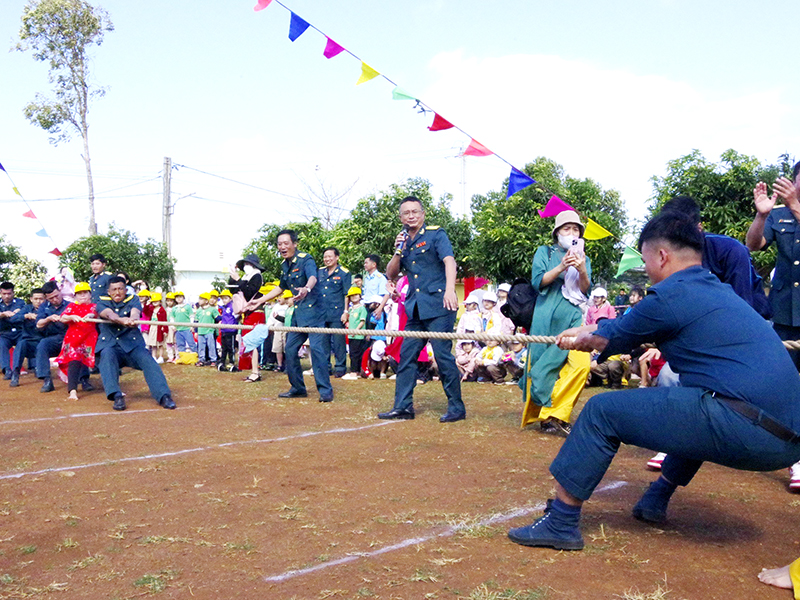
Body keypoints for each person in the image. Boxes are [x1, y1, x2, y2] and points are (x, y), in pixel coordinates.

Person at [507, 211, 800, 551]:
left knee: (602, 410)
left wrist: (580, 337)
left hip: (750, 430)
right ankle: (655, 498)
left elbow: (606, 338)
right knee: (698, 401)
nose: (645, 269)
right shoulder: (712, 289)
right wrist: (587, 330)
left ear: (662, 256)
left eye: (645, 260)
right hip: (789, 439)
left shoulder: (671, 295)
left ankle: (561, 521)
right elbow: (623, 325)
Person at [377, 196, 465, 422]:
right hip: (415, 308)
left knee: (443, 356)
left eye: (415, 212)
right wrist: (398, 250)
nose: (411, 216)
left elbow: (449, 261)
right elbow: (391, 274)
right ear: (401, 217)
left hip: (439, 305)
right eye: (406, 213)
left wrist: (449, 290)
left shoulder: (436, 234)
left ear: (423, 214)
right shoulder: (404, 242)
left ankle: (456, 407)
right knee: (406, 357)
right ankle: (403, 407)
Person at [521, 210, 591, 436]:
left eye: (575, 229)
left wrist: (581, 269)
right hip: (545, 315)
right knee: (543, 367)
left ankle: (556, 413)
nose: (571, 233)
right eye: (566, 229)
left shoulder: (584, 257)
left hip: (572, 317)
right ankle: (550, 418)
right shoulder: (544, 252)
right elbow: (537, 282)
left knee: (581, 364)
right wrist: (561, 267)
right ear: (557, 233)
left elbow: (585, 289)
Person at [245, 230, 334, 401]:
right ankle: (298, 387)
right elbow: (281, 287)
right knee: (290, 349)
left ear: (295, 244)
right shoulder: (285, 265)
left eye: (286, 243)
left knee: (317, 350)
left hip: (315, 312)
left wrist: (306, 289)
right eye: (279, 244)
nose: (282, 247)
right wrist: (259, 301)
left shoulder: (305, 259)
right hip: (299, 315)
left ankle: (325, 391)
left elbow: (313, 278)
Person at [95, 276, 175, 411]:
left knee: (149, 362)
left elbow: (135, 312)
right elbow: (108, 314)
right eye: (114, 290)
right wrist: (121, 320)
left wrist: (132, 319)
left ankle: (164, 396)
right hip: (110, 344)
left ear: (126, 290)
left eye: (120, 289)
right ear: (108, 291)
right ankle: (117, 396)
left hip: (131, 344)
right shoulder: (101, 302)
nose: (117, 292)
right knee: (106, 355)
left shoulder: (133, 299)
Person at [747, 171, 800, 365]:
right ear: (793, 182)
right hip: (783, 312)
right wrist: (761, 216)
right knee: (783, 373)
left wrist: (794, 205)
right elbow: (753, 245)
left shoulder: (792, 207)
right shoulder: (777, 213)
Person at [54, 282, 97, 401]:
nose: (82, 296)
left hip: (89, 339)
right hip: (73, 339)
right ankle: (72, 391)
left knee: (93, 360)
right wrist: (72, 317)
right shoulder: (72, 307)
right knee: (74, 361)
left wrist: (90, 316)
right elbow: (62, 317)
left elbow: (95, 314)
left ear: (90, 294)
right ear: (75, 296)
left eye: (85, 293)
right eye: (79, 294)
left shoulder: (94, 306)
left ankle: (111, 386)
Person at [31, 280, 73, 393]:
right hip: (53, 338)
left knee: (78, 345)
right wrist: (48, 319)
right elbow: (38, 324)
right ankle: (47, 380)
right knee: (43, 345)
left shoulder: (70, 305)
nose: (55, 299)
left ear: (60, 291)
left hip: (69, 337)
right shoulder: (43, 307)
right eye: (51, 298)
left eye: (56, 296)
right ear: (46, 298)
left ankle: (84, 379)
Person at [317, 247, 351, 378]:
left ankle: (340, 367)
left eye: (330, 256)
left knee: (338, 342)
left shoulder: (344, 273)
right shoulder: (320, 272)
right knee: (323, 341)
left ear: (337, 257)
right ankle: (325, 366)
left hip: (337, 312)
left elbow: (346, 294)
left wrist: (345, 311)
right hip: (321, 312)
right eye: (325, 257)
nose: (327, 259)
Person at [229, 254, 265, 374]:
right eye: (244, 265)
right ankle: (248, 368)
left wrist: (239, 280)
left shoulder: (257, 276)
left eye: (248, 264)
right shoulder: (245, 277)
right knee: (246, 340)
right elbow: (233, 289)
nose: (246, 267)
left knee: (252, 341)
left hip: (256, 311)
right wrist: (233, 277)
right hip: (247, 312)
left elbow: (249, 292)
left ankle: (255, 371)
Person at [8, 288, 46, 388]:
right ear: (31, 299)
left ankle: (43, 374)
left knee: (44, 345)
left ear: (45, 299)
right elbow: (12, 319)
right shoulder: (27, 308)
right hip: (29, 340)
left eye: (41, 299)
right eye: (36, 299)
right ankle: (15, 374)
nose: (38, 301)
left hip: (43, 340)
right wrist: (25, 316)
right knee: (21, 345)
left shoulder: (47, 309)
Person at [0, 281, 26, 379]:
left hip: (20, 332)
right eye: (4, 294)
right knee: (1, 345)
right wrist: (3, 314)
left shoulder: (20, 302)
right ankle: (7, 370)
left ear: (13, 293)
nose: (7, 296)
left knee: (22, 344)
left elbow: (22, 312)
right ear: (0, 293)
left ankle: (16, 370)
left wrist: (17, 313)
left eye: (9, 293)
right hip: (4, 333)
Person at [342, 287, 367, 380]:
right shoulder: (351, 309)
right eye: (351, 296)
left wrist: (356, 330)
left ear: (360, 296)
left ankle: (355, 372)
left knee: (356, 353)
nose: (354, 297)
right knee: (352, 353)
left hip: (358, 335)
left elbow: (362, 321)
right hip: (351, 334)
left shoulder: (362, 308)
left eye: (356, 295)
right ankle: (355, 371)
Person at [194, 293, 219, 367]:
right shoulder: (198, 310)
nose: (199, 301)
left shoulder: (212, 309)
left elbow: (217, 318)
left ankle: (213, 360)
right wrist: (196, 331)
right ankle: (201, 359)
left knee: (211, 346)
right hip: (201, 331)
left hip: (209, 331)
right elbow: (196, 321)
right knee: (201, 347)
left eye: (201, 299)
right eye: (199, 299)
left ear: (206, 301)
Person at [217, 289, 238, 372]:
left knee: (231, 347)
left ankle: (232, 362)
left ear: (230, 298)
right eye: (222, 299)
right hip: (224, 330)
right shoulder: (224, 308)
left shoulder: (232, 306)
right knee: (224, 347)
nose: (224, 300)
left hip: (231, 330)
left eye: (225, 298)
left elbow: (236, 316)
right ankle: (223, 362)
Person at [362, 254, 387, 318]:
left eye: (366, 263)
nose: (365, 265)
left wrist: (380, 308)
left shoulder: (380, 278)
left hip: (375, 309)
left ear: (374, 264)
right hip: (365, 308)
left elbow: (386, 294)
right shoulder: (367, 278)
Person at [147, 292, 168, 363]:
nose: (155, 302)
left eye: (157, 301)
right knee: (153, 344)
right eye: (154, 301)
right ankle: (154, 356)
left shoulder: (162, 310)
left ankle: (161, 357)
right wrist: (147, 304)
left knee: (160, 344)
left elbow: (165, 320)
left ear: (160, 301)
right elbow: (145, 311)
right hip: (152, 328)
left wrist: (165, 330)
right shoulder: (151, 309)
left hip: (159, 329)